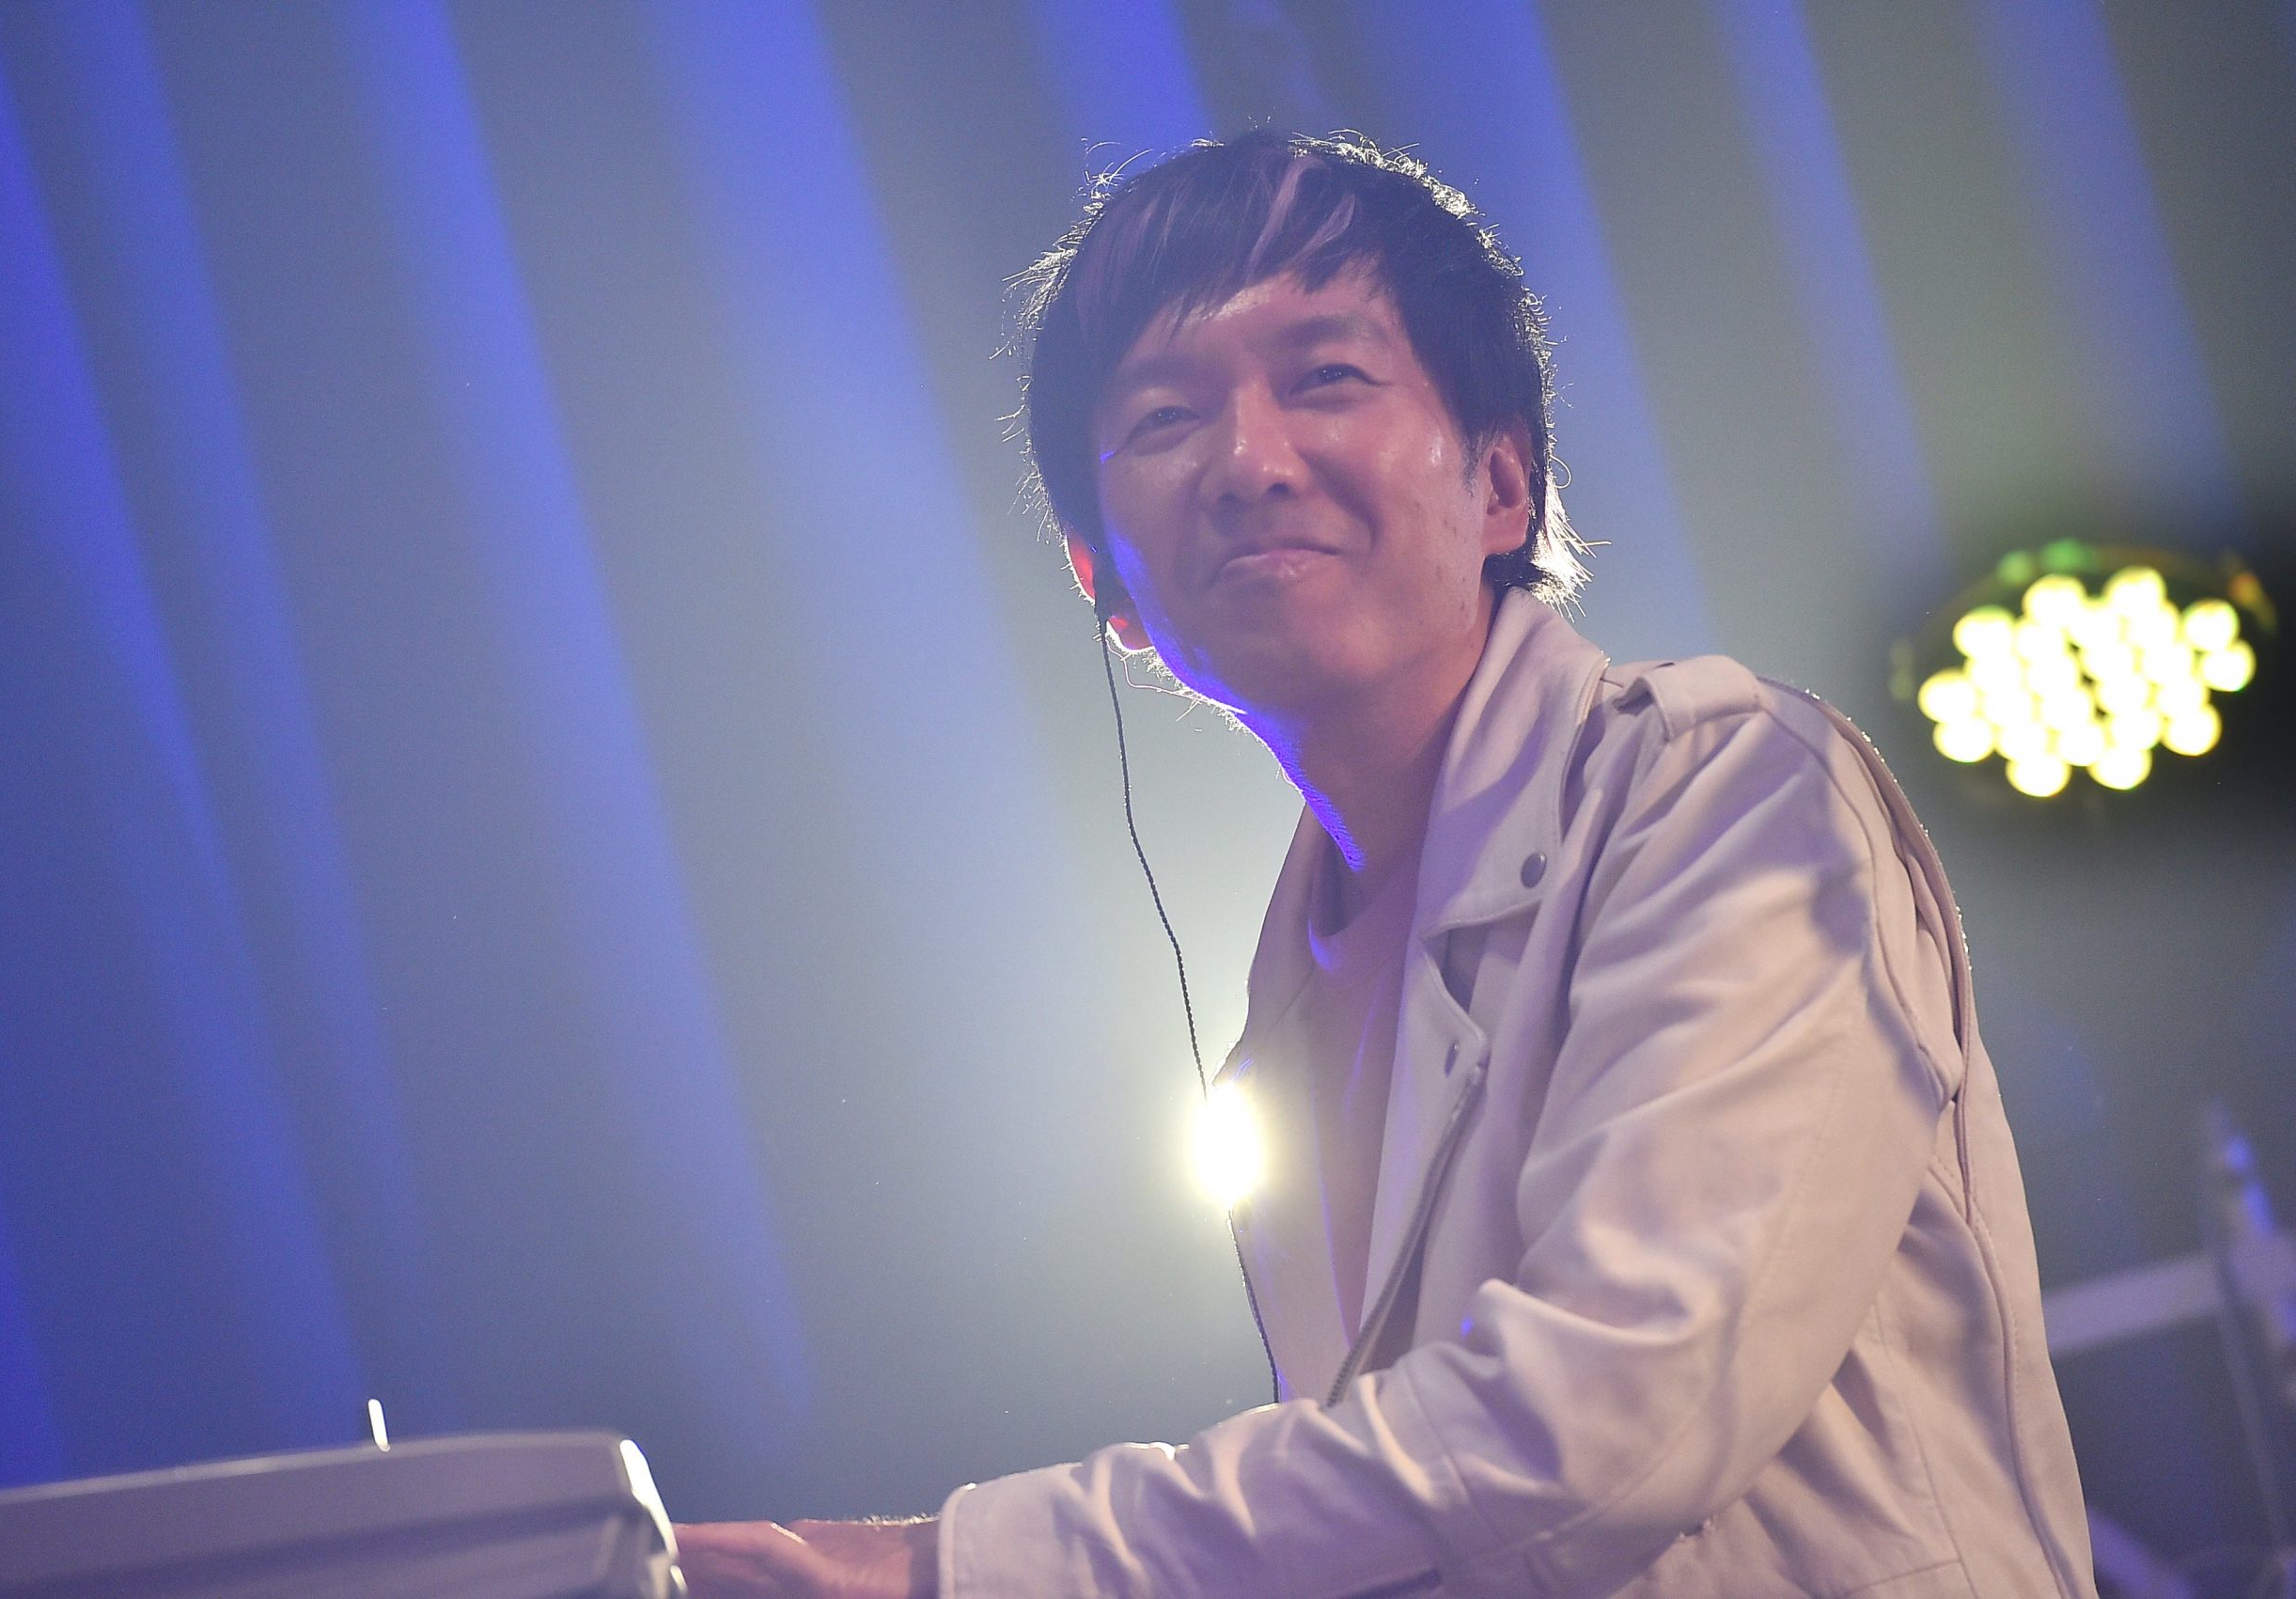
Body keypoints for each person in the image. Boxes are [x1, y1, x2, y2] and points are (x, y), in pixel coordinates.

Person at [673, 131, 2097, 1599]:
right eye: (1165, 416)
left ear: (1502, 485)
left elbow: (1606, 1422)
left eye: (1326, 378)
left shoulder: (1721, 794)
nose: (1249, 461)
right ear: (1110, 592)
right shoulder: (1277, 1032)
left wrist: (952, 1565)